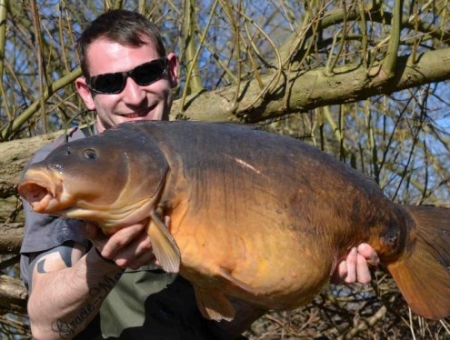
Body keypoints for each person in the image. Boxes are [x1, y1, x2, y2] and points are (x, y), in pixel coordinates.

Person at [19, 9, 379, 340]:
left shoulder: (216, 158)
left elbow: (219, 325)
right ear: (86, 92)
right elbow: (46, 328)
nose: (133, 96)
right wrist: (105, 264)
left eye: (146, 74)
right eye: (111, 83)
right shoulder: (65, 167)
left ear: (172, 70)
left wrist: (302, 271)